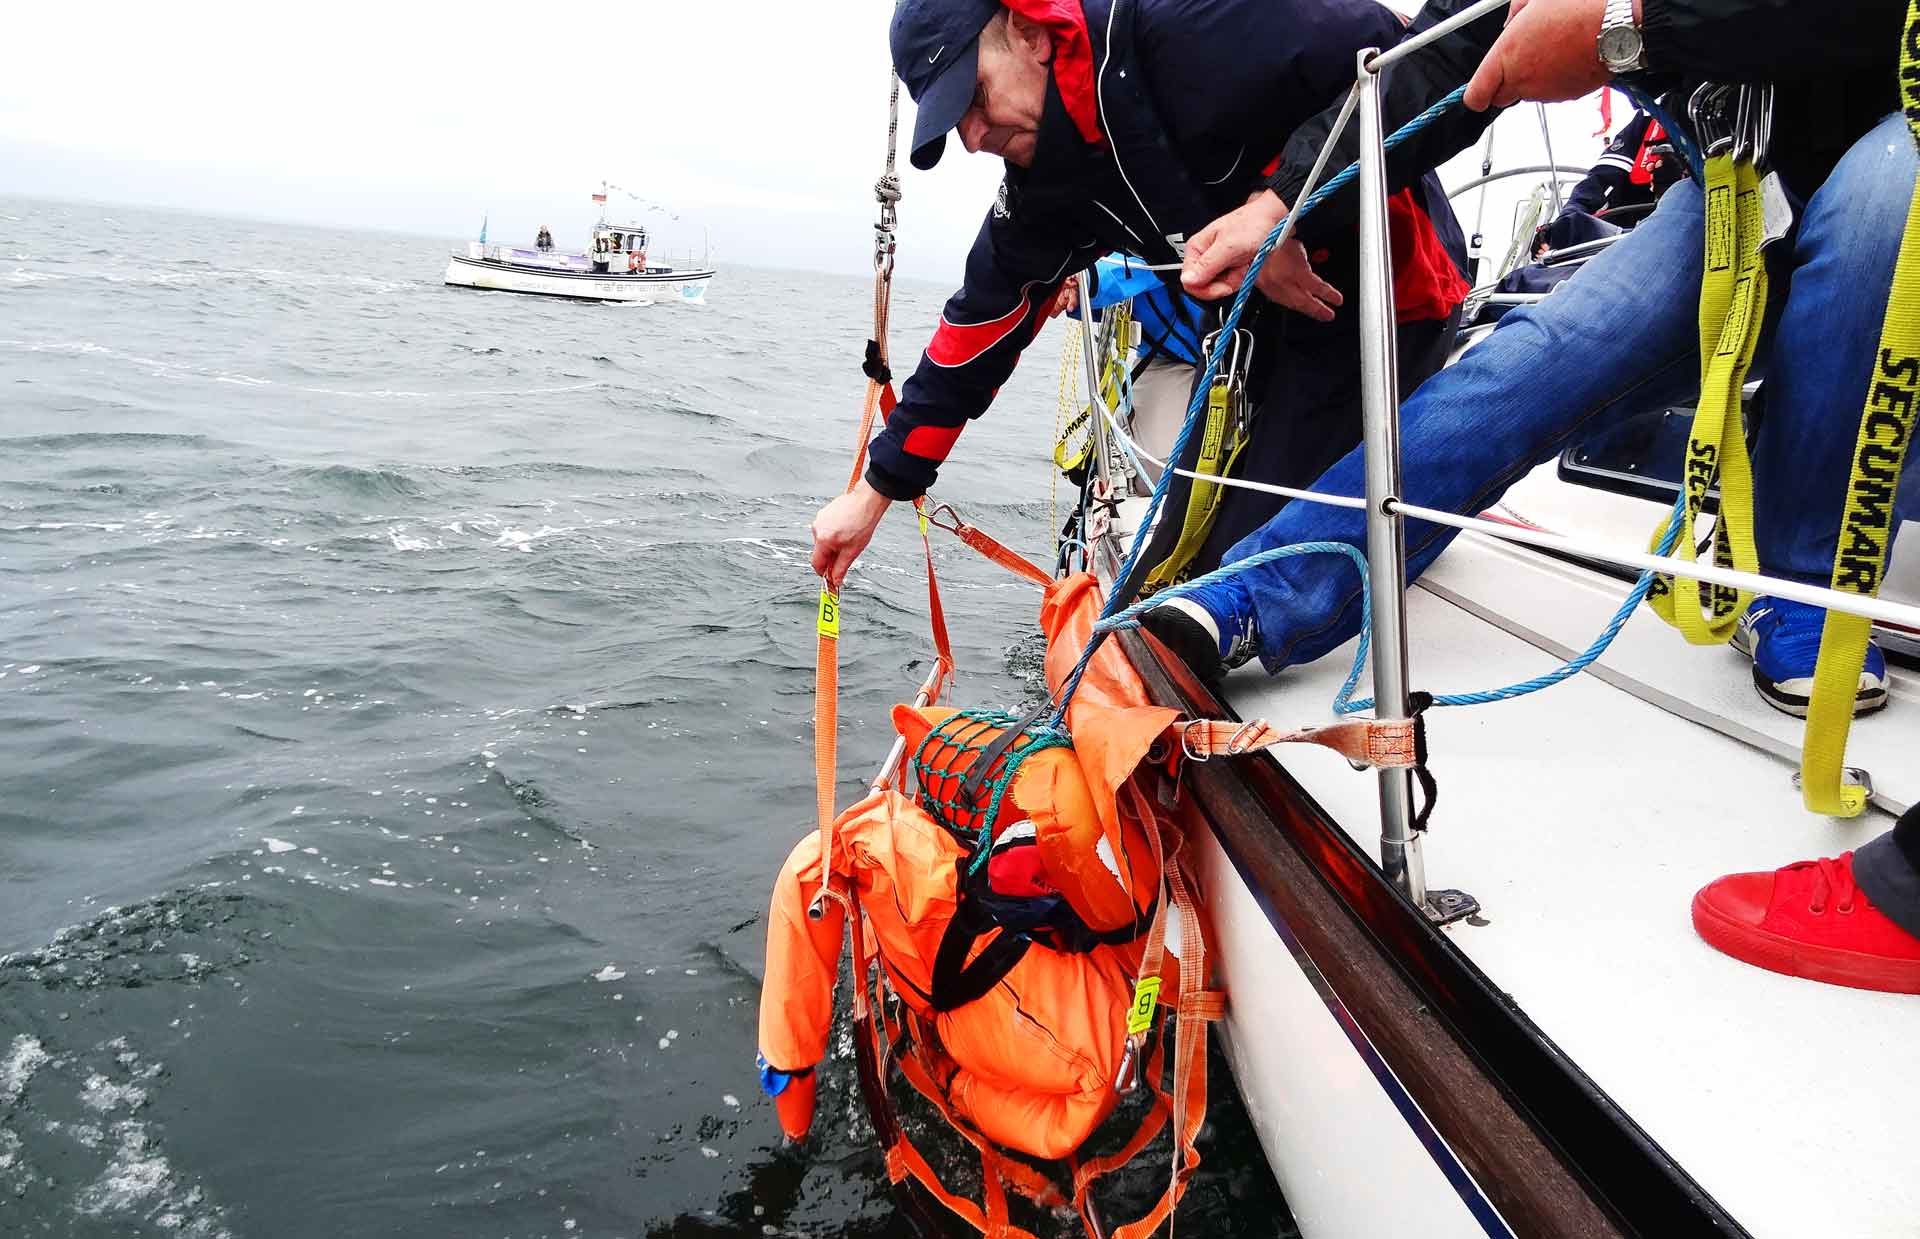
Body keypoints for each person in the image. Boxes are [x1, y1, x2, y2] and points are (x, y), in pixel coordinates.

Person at [1152, 0, 1920, 990]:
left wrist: (1629, 24)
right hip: (1738, 187)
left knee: (1887, 197)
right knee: (1531, 359)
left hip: (1892, 144)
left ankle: (1804, 598)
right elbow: (1456, 65)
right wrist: (1286, 198)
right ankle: (1255, 595)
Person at [809, 0, 1484, 593]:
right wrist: (876, 492)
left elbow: (1424, 58)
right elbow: (981, 327)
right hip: (1251, 340)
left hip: (1384, 306)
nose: (975, 138)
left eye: (976, 97)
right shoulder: (1046, 181)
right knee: (1161, 582)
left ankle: (1426, 493)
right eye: (957, 123)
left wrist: (1285, 203)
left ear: (1029, 31)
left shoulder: (1195, 23)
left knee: (1251, 578)